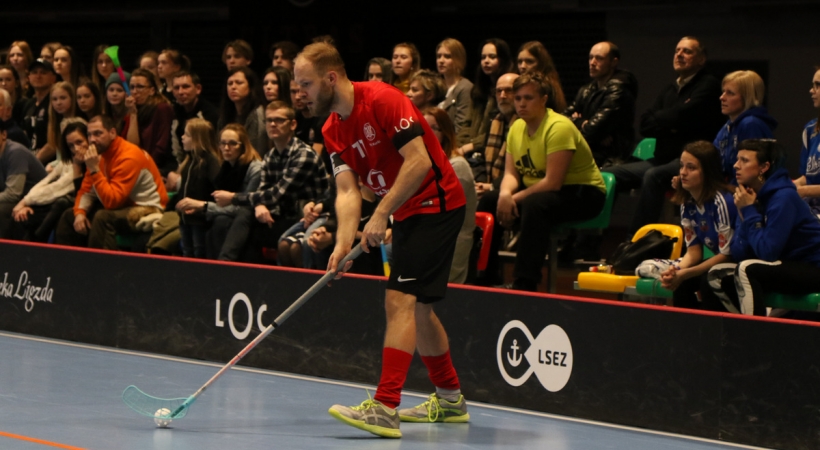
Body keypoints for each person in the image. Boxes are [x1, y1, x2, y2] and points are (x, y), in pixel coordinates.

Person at [295, 42, 469, 439]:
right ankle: (450, 400)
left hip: (436, 202)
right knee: (419, 310)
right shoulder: (331, 129)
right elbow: (347, 191)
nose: (301, 94)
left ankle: (386, 407)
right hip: (407, 210)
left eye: (306, 84)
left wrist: (381, 213)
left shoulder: (382, 99)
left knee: (400, 300)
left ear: (330, 78)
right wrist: (343, 244)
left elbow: (419, 160)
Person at [478, 72, 606, 292]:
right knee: (490, 200)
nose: (521, 104)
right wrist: (505, 195)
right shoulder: (516, 127)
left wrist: (513, 199)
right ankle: (484, 275)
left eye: (528, 98)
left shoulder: (558, 127)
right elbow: (511, 175)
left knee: (535, 204)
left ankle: (525, 283)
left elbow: (552, 183)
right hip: (541, 190)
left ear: (544, 99)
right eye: (518, 98)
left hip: (583, 193)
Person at [604, 36, 724, 234]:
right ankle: (590, 238)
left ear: (701, 59)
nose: (680, 55)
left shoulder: (708, 85)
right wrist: (674, 122)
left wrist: (665, 120)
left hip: (690, 162)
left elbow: (685, 115)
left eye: (687, 51)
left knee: (653, 176)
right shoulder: (671, 88)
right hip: (662, 158)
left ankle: (637, 240)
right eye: (677, 50)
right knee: (610, 174)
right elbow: (645, 124)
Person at [636, 141, 737, 310]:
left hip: (737, 262)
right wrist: (675, 270)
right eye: (682, 166)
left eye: (691, 168)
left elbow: (726, 255)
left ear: (707, 172)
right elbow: (693, 253)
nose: (683, 172)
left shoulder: (723, 202)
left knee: (706, 280)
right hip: (717, 263)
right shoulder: (687, 203)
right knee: (681, 283)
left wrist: (684, 273)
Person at [723, 139, 820, 316]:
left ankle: (754, 332)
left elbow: (768, 252)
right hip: (788, 265)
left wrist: (749, 212)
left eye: (744, 160)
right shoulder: (749, 197)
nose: (736, 165)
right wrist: (745, 214)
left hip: (813, 266)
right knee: (718, 276)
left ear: (764, 167)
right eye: (737, 159)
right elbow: (740, 252)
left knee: (746, 269)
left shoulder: (783, 197)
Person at [223, 101, 328, 263]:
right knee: (225, 222)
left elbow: (276, 195)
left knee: (246, 220)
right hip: (282, 216)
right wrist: (259, 205)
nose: (272, 124)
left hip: (307, 216)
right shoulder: (270, 155)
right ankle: (237, 271)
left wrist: (233, 198)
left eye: (279, 120)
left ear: (293, 124)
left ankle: (225, 264)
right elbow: (263, 190)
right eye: (269, 120)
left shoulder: (304, 155)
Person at [54, 115, 168, 249]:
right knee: (70, 216)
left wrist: (94, 170)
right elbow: (86, 191)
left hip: (147, 208)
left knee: (102, 217)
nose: (92, 139)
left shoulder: (128, 156)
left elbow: (112, 202)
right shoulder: (100, 154)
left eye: (98, 134)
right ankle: (67, 261)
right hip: (123, 206)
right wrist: (79, 213)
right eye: (89, 135)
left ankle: (101, 262)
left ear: (112, 133)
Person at [563, 41, 638, 166]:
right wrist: (582, 122)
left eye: (599, 58)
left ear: (613, 62)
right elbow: (562, 118)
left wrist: (580, 124)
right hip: (591, 151)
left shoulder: (618, 90)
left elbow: (591, 131)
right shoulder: (587, 90)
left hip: (611, 157)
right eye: (591, 57)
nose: (592, 63)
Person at [11, 120, 87, 242]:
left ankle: (34, 242)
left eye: (79, 142)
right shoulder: (68, 160)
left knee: (60, 203)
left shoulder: (88, 162)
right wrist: (25, 202)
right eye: (71, 145)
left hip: (78, 202)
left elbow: (60, 187)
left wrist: (26, 201)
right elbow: (45, 181)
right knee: (23, 215)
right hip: (55, 200)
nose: (76, 149)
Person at [423, 107, 475, 284]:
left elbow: (441, 213)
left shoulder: (457, 166)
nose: (426, 133)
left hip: (451, 241)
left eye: (434, 128)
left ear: (445, 133)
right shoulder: (424, 165)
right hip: (429, 236)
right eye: (423, 128)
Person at [205, 124, 262, 259]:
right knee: (217, 220)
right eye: (223, 143)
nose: (226, 148)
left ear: (243, 146)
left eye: (232, 143)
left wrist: (205, 207)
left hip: (254, 218)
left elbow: (245, 207)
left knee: (221, 221)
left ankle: (223, 264)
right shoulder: (226, 167)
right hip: (233, 216)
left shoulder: (255, 169)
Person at [165, 118, 221, 258]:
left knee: (199, 252)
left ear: (198, 139)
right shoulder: (189, 161)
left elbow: (217, 189)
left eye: (187, 135)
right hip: (185, 219)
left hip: (200, 220)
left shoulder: (210, 162)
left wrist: (203, 207)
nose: (182, 137)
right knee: (187, 252)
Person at [713, 70, 776, 180]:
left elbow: (753, 174)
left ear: (747, 97)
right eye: (723, 92)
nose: (722, 97)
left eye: (730, 93)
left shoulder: (751, 124)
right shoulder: (727, 127)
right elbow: (712, 160)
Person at [457, 39, 514, 159]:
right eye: (483, 57)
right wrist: (458, 144)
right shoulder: (479, 89)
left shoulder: (507, 91)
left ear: (502, 59)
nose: (486, 61)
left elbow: (501, 129)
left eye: (492, 57)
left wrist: (472, 145)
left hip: (493, 151)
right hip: (470, 150)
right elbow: (467, 123)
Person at [0, 118, 47, 238]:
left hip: (38, 203)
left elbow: (13, 194)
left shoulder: (15, 152)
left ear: (4, 134)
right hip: (19, 199)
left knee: (2, 209)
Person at [475, 72, 519, 198]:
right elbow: (482, 158)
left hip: (512, 187)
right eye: (499, 91)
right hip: (490, 184)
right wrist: (480, 183)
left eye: (509, 90)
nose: (502, 96)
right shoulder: (495, 121)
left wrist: (493, 186)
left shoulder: (526, 124)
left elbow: (519, 170)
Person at [129, 68, 175, 176]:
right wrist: (132, 114)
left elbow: (162, 145)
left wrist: (147, 168)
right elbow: (132, 145)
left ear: (152, 90)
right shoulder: (134, 110)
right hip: (141, 165)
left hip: (159, 167)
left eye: (140, 87)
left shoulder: (162, 108)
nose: (135, 91)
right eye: (132, 87)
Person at [169, 70, 220, 168]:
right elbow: (175, 150)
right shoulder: (175, 112)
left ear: (198, 89)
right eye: (176, 88)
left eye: (185, 87)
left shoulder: (209, 114)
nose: (180, 92)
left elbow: (210, 151)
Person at [218, 67, 267, 157]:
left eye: (239, 83)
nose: (233, 87)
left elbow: (257, 150)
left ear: (250, 87)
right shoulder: (225, 113)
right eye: (230, 83)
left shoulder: (258, 113)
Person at [796, 66, 820, 218]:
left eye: (818, 85)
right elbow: (808, 177)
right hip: (812, 207)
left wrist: (804, 191)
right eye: (813, 85)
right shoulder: (810, 129)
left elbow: (805, 188)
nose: (812, 90)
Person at [436, 38, 473, 135]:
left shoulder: (465, 87)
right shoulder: (437, 86)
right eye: (439, 56)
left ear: (459, 59)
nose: (441, 61)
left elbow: (462, 127)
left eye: (447, 56)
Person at [516, 41, 567, 112]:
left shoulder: (546, 86)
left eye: (529, 61)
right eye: (520, 62)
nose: (523, 66)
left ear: (541, 63)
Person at [22, 58, 57, 158]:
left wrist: (33, 163)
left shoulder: (55, 102)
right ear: (28, 77)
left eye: (43, 72)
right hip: (30, 155)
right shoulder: (28, 104)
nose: (38, 76)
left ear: (53, 78)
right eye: (34, 72)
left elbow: (53, 145)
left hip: (50, 162)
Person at [41, 81, 77, 164]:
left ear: (72, 98)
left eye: (63, 98)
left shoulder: (77, 123)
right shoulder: (57, 123)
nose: (58, 103)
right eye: (54, 99)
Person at [104, 72, 140, 146]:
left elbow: (133, 145)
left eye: (119, 90)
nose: (114, 94)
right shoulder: (106, 114)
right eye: (111, 90)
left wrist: (133, 113)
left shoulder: (132, 114)